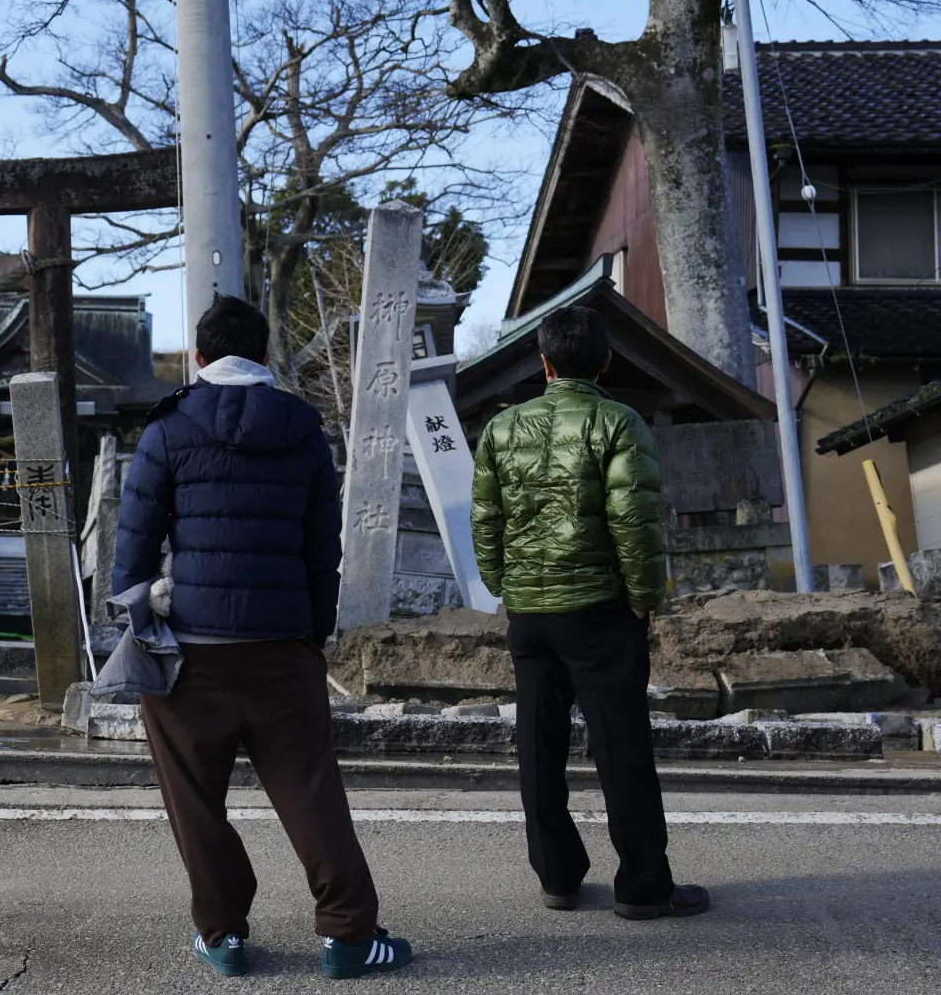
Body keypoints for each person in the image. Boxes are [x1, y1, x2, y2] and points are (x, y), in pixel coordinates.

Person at [112, 295, 412, 980]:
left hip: (191, 654)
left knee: (193, 796)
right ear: (268, 357)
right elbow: (319, 550)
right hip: (283, 650)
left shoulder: (168, 427)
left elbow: (133, 550)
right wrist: (312, 636)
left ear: (199, 357)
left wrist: (135, 620)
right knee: (310, 790)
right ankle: (349, 935)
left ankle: (223, 934)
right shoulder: (304, 429)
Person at [470, 305, 710, 921]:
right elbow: (635, 521)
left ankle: (557, 876)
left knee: (538, 743)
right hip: (601, 607)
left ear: (543, 362)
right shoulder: (618, 421)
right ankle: (642, 886)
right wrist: (643, 597)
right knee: (621, 746)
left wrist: (503, 582)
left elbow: (485, 517)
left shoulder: (501, 429)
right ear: (605, 360)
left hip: (529, 611)